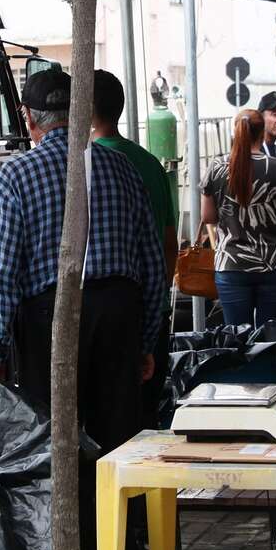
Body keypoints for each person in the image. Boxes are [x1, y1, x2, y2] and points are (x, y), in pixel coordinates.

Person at [0, 69, 165, 550]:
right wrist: (146, 340)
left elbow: (1, 273)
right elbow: (151, 263)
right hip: (119, 312)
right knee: (119, 432)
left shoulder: (16, 174)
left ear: (29, 118)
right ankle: (123, 538)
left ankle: (66, 539)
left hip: (52, 317)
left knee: (53, 434)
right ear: (79, 113)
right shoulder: (119, 167)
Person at [91, 69, 177, 430]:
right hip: (149, 305)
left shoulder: (88, 165)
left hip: (106, 313)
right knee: (142, 415)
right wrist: (158, 306)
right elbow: (169, 242)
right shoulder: (149, 164)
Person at [202, 108, 276, 327]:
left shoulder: (217, 168)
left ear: (236, 132)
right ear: (261, 132)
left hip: (231, 264)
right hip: (275, 263)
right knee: (271, 337)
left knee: (237, 338)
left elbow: (208, 216)